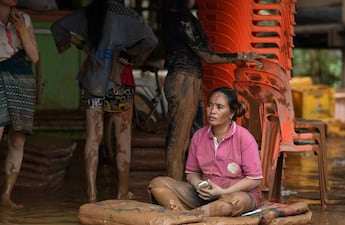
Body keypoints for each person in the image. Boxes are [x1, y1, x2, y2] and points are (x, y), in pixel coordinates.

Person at [51, 0, 158, 203]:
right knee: (123, 138)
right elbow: (151, 41)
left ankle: (91, 194)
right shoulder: (128, 15)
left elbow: (58, 27)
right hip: (118, 82)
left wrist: (80, 46)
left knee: (93, 136)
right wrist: (130, 57)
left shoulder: (89, 13)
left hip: (93, 81)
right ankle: (122, 192)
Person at [162, 0, 265, 181]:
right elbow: (207, 57)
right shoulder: (182, 21)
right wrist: (239, 56)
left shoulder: (175, 19)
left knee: (193, 136)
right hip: (185, 80)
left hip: (186, 79)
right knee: (179, 140)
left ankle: (186, 186)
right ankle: (174, 190)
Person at [148, 87, 263, 217]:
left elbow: (254, 179)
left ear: (231, 113)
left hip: (235, 194)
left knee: (233, 203)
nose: (212, 111)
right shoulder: (199, 136)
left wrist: (224, 191)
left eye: (219, 107)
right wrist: (199, 184)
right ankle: (185, 213)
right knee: (157, 184)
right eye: (209, 105)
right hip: (205, 195)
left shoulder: (244, 137)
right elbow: (192, 172)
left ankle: (187, 216)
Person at [0, 0, 39, 209]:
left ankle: (6, 195)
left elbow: (34, 56)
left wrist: (22, 30)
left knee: (18, 140)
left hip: (21, 77)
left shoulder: (24, 19)